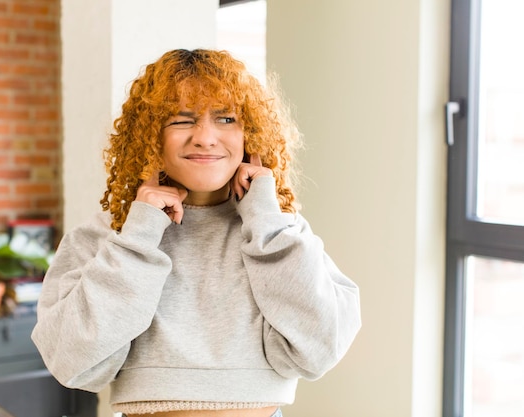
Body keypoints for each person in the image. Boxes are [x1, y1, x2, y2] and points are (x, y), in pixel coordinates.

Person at [31, 48, 361, 417]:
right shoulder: (111, 236)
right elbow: (70, 361)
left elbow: (320, 348)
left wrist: (266, 221)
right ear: (150, 137)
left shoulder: (278, 231)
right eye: (182, 120)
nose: (205, 137)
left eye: (225, 118)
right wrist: (139, 235)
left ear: (249, 135)